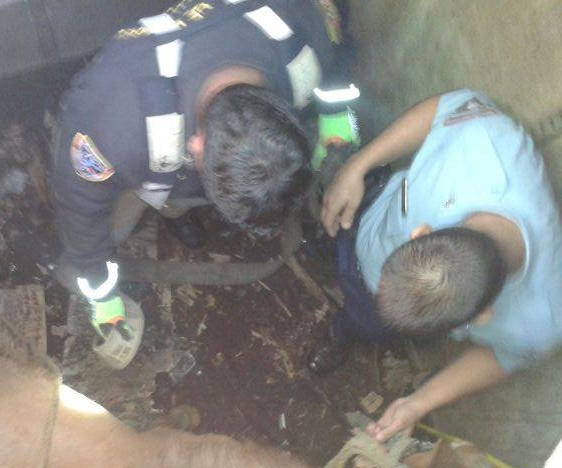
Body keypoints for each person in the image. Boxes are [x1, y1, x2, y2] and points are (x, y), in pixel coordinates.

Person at [51, 0, 360, 340]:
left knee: (178, 198)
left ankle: (175, 212)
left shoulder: (302, 29)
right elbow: (81, 206)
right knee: (114, 226)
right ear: (194, 146)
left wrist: (334, 117)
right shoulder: (109, 126)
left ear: (284, 113)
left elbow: (337, 56)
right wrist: (100, 289)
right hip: (139, 144)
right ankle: (146, 219)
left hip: (172, 162)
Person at [309, 88, 562, 442]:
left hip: (375, 307)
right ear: (421, 233)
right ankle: (329, 247)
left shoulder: (543, 320)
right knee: (332, 233)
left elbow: (502, 357)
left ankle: (344, 331)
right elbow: (441, 109)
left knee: (365, 319)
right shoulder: (486, 141)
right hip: (371, 205)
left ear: (482, 316)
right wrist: (357, 166)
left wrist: (418, 403)